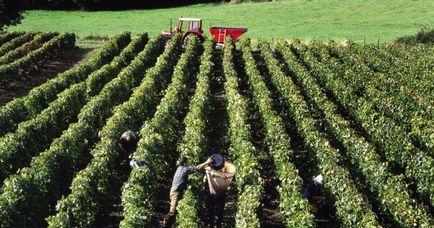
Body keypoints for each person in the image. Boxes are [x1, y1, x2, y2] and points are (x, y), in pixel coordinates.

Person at [163, 156, 213, 227]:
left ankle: (172, 224)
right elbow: (197, 168)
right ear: (184, 163)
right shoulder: (184, 170)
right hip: (175, 192)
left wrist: (205, 166)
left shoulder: (179, 168)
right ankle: (166, 224)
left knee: (176, 210)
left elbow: (196, 168)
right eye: (187, 162)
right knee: (172, 212)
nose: (188, 163)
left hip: (176, 191)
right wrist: (207, 162)